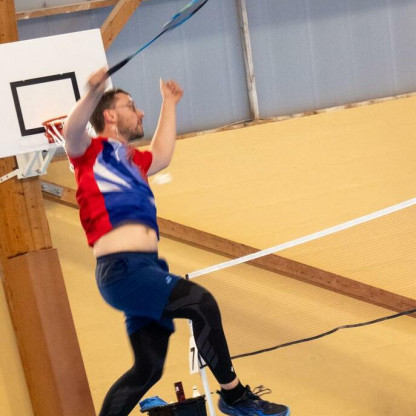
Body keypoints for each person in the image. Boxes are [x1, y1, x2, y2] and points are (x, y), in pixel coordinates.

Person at [63, 67, 290, 416]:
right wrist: (93, 91)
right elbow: (71, 131)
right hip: (122, 270)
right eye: (131, 105)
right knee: (201, 303)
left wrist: (169, 102)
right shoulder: (88, 153)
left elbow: (163, 153)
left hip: (147, 269)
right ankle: (234, 396)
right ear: (109, 115)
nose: (140, 112)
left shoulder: (134, 161)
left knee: (148, 368)